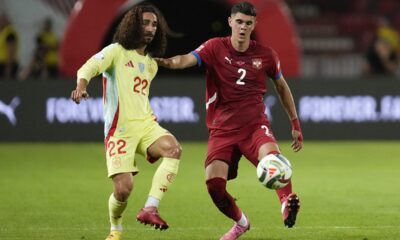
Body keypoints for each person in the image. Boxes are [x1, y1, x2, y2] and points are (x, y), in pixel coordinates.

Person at [156, 2, 303, 239]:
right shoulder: (215, 48)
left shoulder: (266, 55)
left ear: (254, 24)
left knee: (272, 158)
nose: (243, 27)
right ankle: (241, 223)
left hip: (255, 126)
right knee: (214, 186)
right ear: (230, 22)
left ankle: (286, 203)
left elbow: (282, 87)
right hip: (222, 130)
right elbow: (185, 60)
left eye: (248, 23)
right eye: (239, 22)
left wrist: (295, 123)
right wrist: (165, 62)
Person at [70, 3, 182, 240]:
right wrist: (81, 85)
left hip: (146, 125)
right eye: (145, 23)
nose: (150, 28)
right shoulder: (116, 51)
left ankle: (150, 208)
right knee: (123, 190)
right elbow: (89, 66)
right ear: (133, 25)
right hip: (119, 131)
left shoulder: (151, 65)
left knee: (173, 149)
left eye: (154, 24)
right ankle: (115, 228)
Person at [0, 14, 19, 79]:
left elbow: (11, 50)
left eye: (1, 20)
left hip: (5, 64)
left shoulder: (9, 33)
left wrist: (8, 67)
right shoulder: (3, 32)